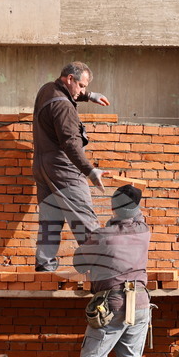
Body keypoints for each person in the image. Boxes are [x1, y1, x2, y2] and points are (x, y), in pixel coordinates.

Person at [50, 185, 151, 357]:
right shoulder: (144, 230)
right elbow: (134, 220)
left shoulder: (104, 235)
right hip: (140, 303)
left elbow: (79, 262)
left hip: (112, 303)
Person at [32, 62, 111, 273]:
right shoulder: (64, 108)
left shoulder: (47, 89)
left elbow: (66, 93)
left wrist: (89, 96)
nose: (83, 90)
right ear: (69, 79)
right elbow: (71, 144)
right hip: (63, 168)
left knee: (50, 220)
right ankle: (101, 268)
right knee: (83, 217)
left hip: (42, 167)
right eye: (82, 86)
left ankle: (44, 267)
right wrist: (90, 171)